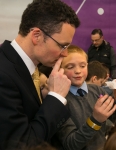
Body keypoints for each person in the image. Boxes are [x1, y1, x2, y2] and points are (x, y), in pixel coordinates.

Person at [0, 0, 80, 149]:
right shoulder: (3, 75)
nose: (65, 53)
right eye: (62, 45)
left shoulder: (30, 69)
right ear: (36, 36)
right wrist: (56, 97)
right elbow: (23, 144)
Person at [54, 45, 116, 150]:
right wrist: (95, 120)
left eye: (82, 66)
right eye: (70, 67)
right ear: (59, 69)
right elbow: (71, 144)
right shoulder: (59, 100)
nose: (78, 71)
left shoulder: (97, 90)